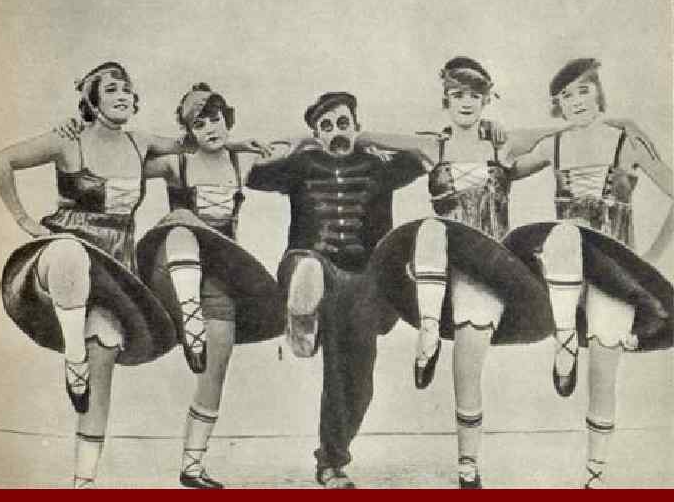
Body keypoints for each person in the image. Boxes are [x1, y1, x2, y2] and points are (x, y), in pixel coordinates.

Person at [356, 56, 558, 488]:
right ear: (445, 100)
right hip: (442, 268)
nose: (466, 102)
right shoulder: (435, 148)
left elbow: (561, 132)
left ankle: (468, 464)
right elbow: (367, 136)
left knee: (467, 369)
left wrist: (622, 123)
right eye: (458, 95)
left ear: (486, 100)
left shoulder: (503, 148)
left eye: (475, 95)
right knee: (430, 227)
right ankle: (428, 331)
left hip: (489, 269)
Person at [0, 62, 180, 488]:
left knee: (105, 351)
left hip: (114, 271)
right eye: (111, 89)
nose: (122, 95)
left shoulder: (140, 142)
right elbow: (1, 159)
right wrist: (24, 221)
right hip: (60, 263)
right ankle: (72, 355)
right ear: (91, 101)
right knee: (70, 252)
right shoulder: (69, 139)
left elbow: (194, 144)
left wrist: (239, 143)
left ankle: (84, 482)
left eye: (127, 89)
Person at [503, 58, 673, 488]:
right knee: (563, 235)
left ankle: (595, 477)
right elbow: (503, 169)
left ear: (599, 91)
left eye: (583, 90)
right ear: (557, 105)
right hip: (567, 271)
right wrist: (542, 130)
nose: (576, 101)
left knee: (603, 373)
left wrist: (653, 255)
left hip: (615, 268)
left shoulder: (626, 142)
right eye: (566, 96)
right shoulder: (553, 146)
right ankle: (564, 339)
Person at [246, 92, 426, 488]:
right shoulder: (300, 166)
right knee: (308, 267)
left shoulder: (379, 166)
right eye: (325, 127)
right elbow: (248, 172)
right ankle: (303, 317)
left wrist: (369, 139)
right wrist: (299, 142)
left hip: (364, 282)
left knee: (354, 378)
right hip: (309, 265)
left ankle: (331, 462)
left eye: (343, 123)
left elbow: (429, 149)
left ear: (356, 126)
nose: (336, 132)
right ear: (316, 135)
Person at [135, 83, 286, 489]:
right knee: (182, 226)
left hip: (220, 276)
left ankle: (192, 465)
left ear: (227, 119)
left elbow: (289, 146)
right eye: (199, 124)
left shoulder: (240, 163)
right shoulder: (177, 164)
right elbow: (128, 158)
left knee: (214, 369)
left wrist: (238, 144)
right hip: (175, 269)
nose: (210, 129)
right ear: (188, 132)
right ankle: (189, 318)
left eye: (215, 120)